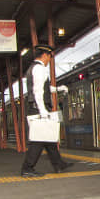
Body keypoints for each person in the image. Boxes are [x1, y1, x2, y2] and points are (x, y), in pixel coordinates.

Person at [20, 44, 73, 177]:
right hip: (38, 109)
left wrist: (57, 89)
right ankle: (27, 168)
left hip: (37, 108)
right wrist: (42, 110)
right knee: (38, 141)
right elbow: (37, 92)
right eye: (50, 56)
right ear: (44, 55)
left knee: (49, 138)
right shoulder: (38, 69)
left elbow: (44, 88)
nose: (50, 59)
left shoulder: (35, 68)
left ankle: (58, 164)